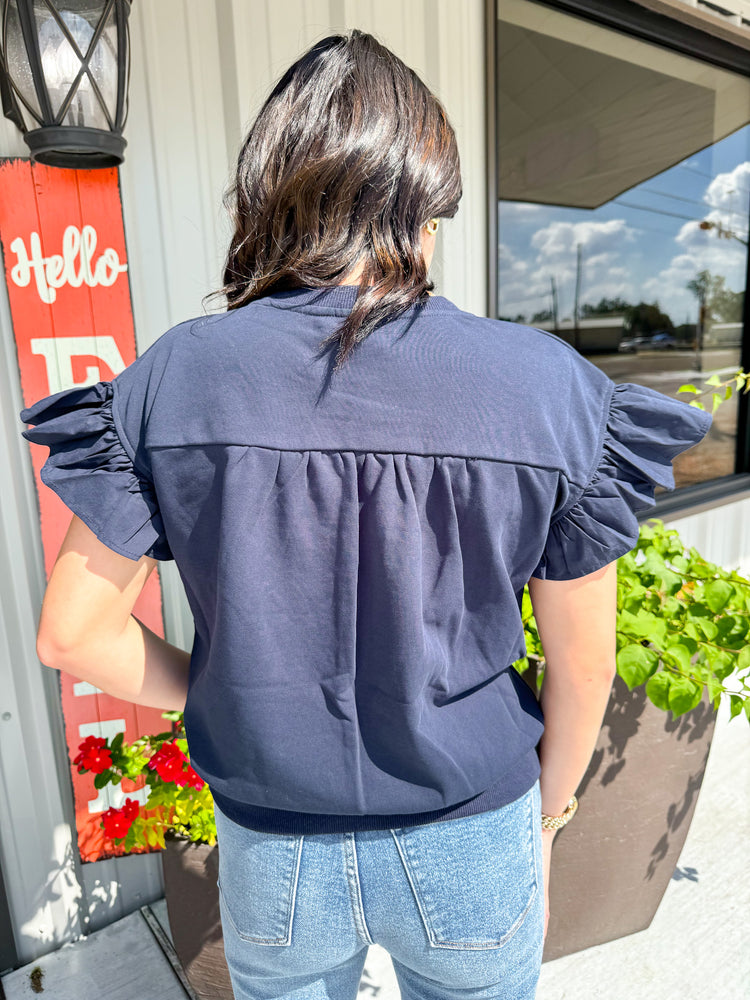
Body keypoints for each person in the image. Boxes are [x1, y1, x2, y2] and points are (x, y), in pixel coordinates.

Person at [20, 28, 712, 1000]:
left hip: (275, 842)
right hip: (473, 827)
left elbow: (73, 633)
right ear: (427, 199)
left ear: (271, 193)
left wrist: (219, 691)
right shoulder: (546, 386)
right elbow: (584, 664)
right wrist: (548, 821)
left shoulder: (177, 378)